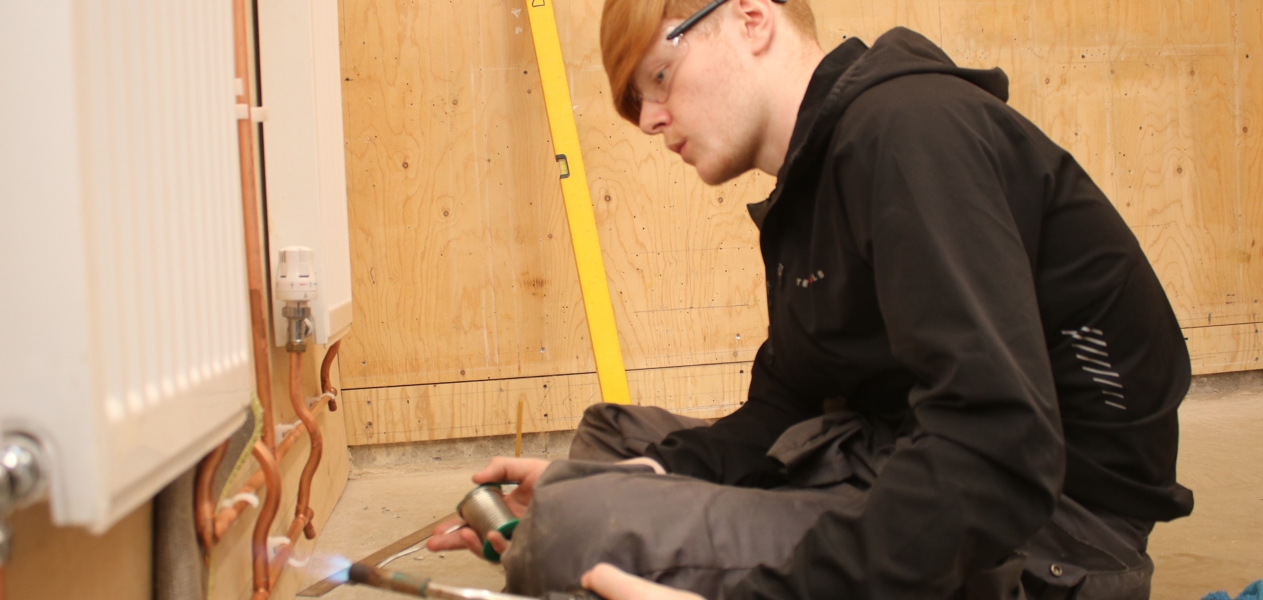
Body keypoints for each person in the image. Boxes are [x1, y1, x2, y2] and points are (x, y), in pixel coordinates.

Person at [430, 0, 1195, 598]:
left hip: (1049, 533)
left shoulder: (909, 134)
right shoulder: (814, 183)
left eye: (657, 80)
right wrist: (633, 477)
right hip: (901, 451)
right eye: (637, 104)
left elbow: (999, 448)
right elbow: (786, 404)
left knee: (574, 529)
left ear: (751, 19)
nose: (652, 120)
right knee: (608, 445)